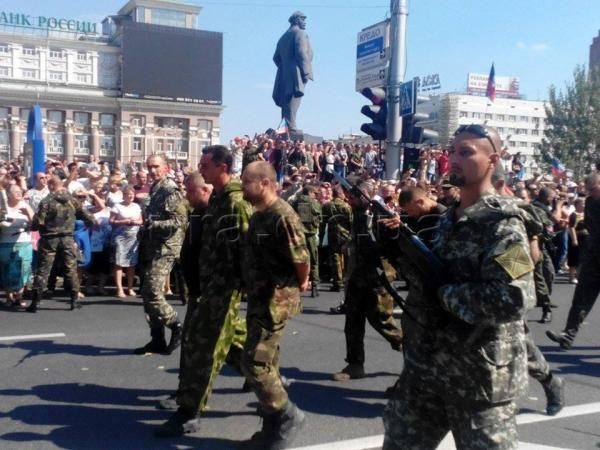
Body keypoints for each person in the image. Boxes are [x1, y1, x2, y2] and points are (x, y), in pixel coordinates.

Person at [383, 125, 536, 449]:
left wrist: (446, 294)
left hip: (478, 382)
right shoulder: (446, 221)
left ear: (492, 160)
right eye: (452, 151)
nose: (453, 158)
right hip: (427, 372)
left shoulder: (506, 227)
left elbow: (516, 296)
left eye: (466, 152)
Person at [156, 146, 251, 437]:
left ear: (222, 167)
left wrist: (242, 287)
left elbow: (247, 251)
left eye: (205, 165)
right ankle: (268, 381)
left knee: (205, 350)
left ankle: (189, 412)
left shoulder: (236, 201)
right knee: (228, 344)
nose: (201, 168)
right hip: (209, 286)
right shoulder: (219, 201)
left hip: (225, 289)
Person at [240, 161, 309, 450]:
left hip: (275, 301)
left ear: (264, 183)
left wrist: (300, 284)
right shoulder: (259, 215)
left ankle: (287, 416)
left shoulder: (283, 215)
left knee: (255, 364)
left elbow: (301, 259)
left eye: (246, 182)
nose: (242, 187)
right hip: (259, 297)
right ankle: (271, 423)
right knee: (265, 362)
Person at [332, 179, 403, 381]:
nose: (349, 199)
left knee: (382, 321)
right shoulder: (356, 215)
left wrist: (396, 221)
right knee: (352, 321)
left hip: (377, 278)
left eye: (354, 196)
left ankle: (414, 358)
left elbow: (397, 241)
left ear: (366, 196)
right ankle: (355, 364)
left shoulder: (381, 214)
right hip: (358, 276)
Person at [134, 155, 187, 355]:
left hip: (166, 247)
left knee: (153, 291)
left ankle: (175, 325)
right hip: (151, 246)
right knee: (147, 294)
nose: (152, 170)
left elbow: (179, 222)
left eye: (156, 166)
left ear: (166, 168)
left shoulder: (169, 190)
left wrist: (153, 225)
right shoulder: (155, 189)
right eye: (149, 167)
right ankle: (157, 338)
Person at [547, 172, 600, 350]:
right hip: (594, 257)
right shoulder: (592, 203)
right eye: (588, 190)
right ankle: (568, 335)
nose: (590, 193)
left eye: (593, 189)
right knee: (581, 298)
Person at [27, 176, 96, 312]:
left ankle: (35, 302)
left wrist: (34, 225)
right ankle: (74, 300)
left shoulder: (46, 201)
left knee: (43, 270)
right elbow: (90, 218)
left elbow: (37, 224)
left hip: (49, 239)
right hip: (68, 239)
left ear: (52, 185)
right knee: (70, 269)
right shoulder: (73, 200)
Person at [272, 11, 313, 133]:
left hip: (283, 74)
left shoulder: (283, 37)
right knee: (293, 101)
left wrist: (284, 66)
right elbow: (301, 53)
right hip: (296, 72)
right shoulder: (300, 33)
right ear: (296, 20)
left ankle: (284, 127)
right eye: (303, 19)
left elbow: (275, 58)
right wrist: (306, 71)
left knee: (286, 102)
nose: (305, 22)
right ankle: (291, 126)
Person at [0, 185, 34, 307]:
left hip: (24, 241)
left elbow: (35, 222)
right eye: (16, 192)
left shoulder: (25, 205)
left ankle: (19, 296)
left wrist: (28, 214)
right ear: (9, 194)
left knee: (24, 268)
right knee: (7, 270)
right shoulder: (3, 207)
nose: (19, 194)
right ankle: (9, 297)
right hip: (6, 242)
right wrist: (11, 222)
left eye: (21, 191)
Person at [110, 186, 143, 298]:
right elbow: (111, 221)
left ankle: (130, 288)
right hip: (120, 236)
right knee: (119, 262)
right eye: (128, 194)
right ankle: (119, 289)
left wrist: (135, 222)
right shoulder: (117, 206)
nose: (130, 196)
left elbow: (141, 220)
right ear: (123, 195)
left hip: (133, 236)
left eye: (132, 194)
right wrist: (124, 221)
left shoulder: (137, 206)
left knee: (131, 263)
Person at [290, 184, 322, 297]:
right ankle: (314, 287)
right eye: (315, 193)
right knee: (314, 261)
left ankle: (296, 285)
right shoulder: (316, 203)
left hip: (298, 235)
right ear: (310, 192)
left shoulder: (295, 202)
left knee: (297, 259)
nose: (315, 195)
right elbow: (320, 218)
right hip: (311, 235)